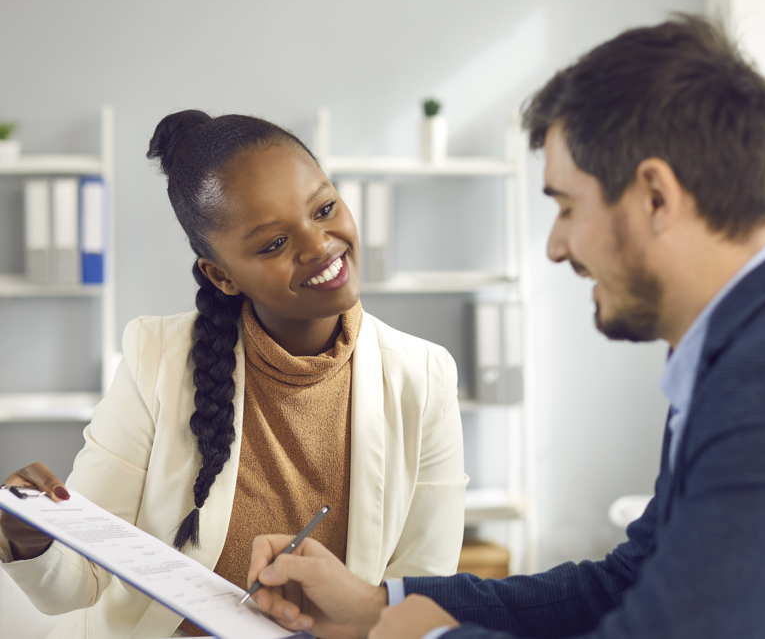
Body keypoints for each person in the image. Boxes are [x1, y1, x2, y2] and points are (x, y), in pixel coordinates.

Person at [242, 15, 765, 639]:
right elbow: (627, 583)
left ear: (656, 198)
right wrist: (377, 605)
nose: (555, 246)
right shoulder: (749, 348)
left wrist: (426, 638)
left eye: (566, 207)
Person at [0, 111, 468, 638]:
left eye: (325, 208)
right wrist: (29, 536)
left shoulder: (424, 378)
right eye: (273, 244)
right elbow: (80, 581)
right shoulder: (156, 358)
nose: (318, 245)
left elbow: (419, 598)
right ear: (221, 275)